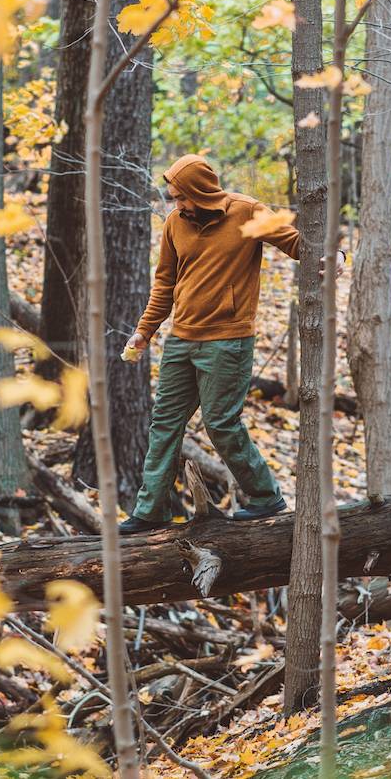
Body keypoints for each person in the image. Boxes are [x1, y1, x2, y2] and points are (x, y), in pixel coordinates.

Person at [118, 154, 342, 534]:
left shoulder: (247, 211)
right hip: (181, 340)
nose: (176, 204)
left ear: (200, 191)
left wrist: (332, 254)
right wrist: (145, 330)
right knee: (164, 424)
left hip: (228, 341)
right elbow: (164, 283)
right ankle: (151, 509)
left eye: (181, 196)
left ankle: (265, 496)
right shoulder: (174, 223)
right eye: (172, 197)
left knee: (220, 423)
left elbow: (294, 243)